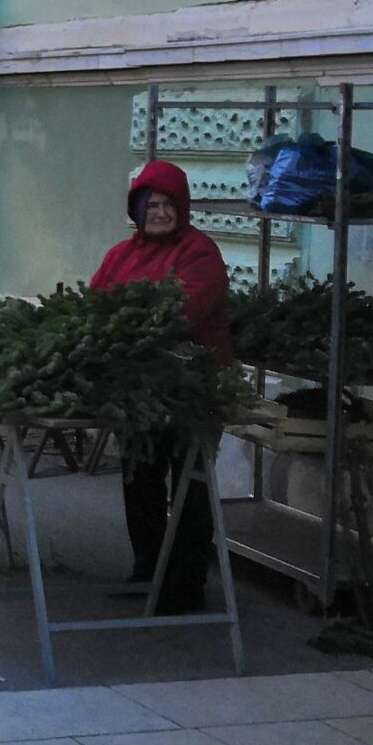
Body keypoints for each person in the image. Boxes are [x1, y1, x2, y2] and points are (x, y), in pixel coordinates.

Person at [88, 158, 232, 614]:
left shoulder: (200, 252)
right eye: (152, 204)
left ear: (182, 208)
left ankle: (186, 583)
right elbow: (96, 300)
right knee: (140, 474)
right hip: (137, 385)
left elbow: (186, 308)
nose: (160, 212)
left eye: (169, 204)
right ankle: (148, 566)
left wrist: (131, 328)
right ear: (137, 209)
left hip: (194, 386)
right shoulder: (121, 255)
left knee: (188, 479)